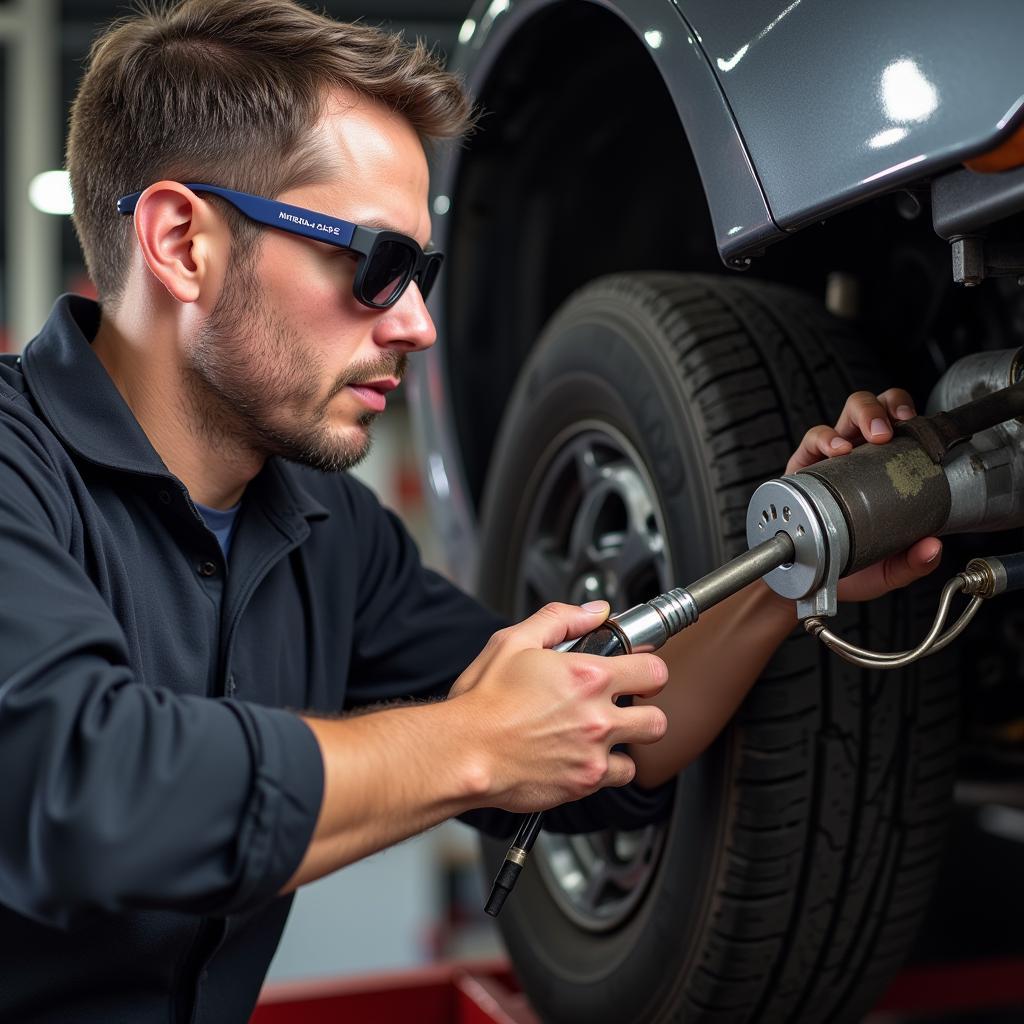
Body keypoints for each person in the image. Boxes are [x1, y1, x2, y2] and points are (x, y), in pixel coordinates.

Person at [0, 1, 942, 1020]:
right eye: (375, 265)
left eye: (424, 272)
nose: (417, 324)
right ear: (183, 242)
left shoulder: (328, 530)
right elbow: (84, 795)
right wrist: (477, 741)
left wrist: (794, 562)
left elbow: (601, 744)